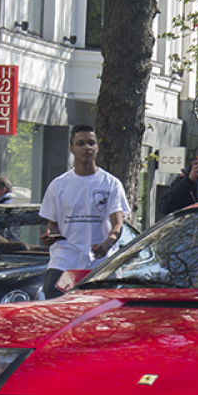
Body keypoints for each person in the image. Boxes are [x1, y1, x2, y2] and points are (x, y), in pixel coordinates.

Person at [38, 123, 129, 298]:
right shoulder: (58, 185)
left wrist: (107, 244)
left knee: (97, 319)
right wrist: (49, 236)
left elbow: (117, 224)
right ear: (71, 149)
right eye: (80, 143)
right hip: (65, 264)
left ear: (97, 147)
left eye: (91, 143)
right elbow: (54, 225)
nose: (86, 147)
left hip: (99, 266)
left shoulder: (111, 184)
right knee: (61, 314)